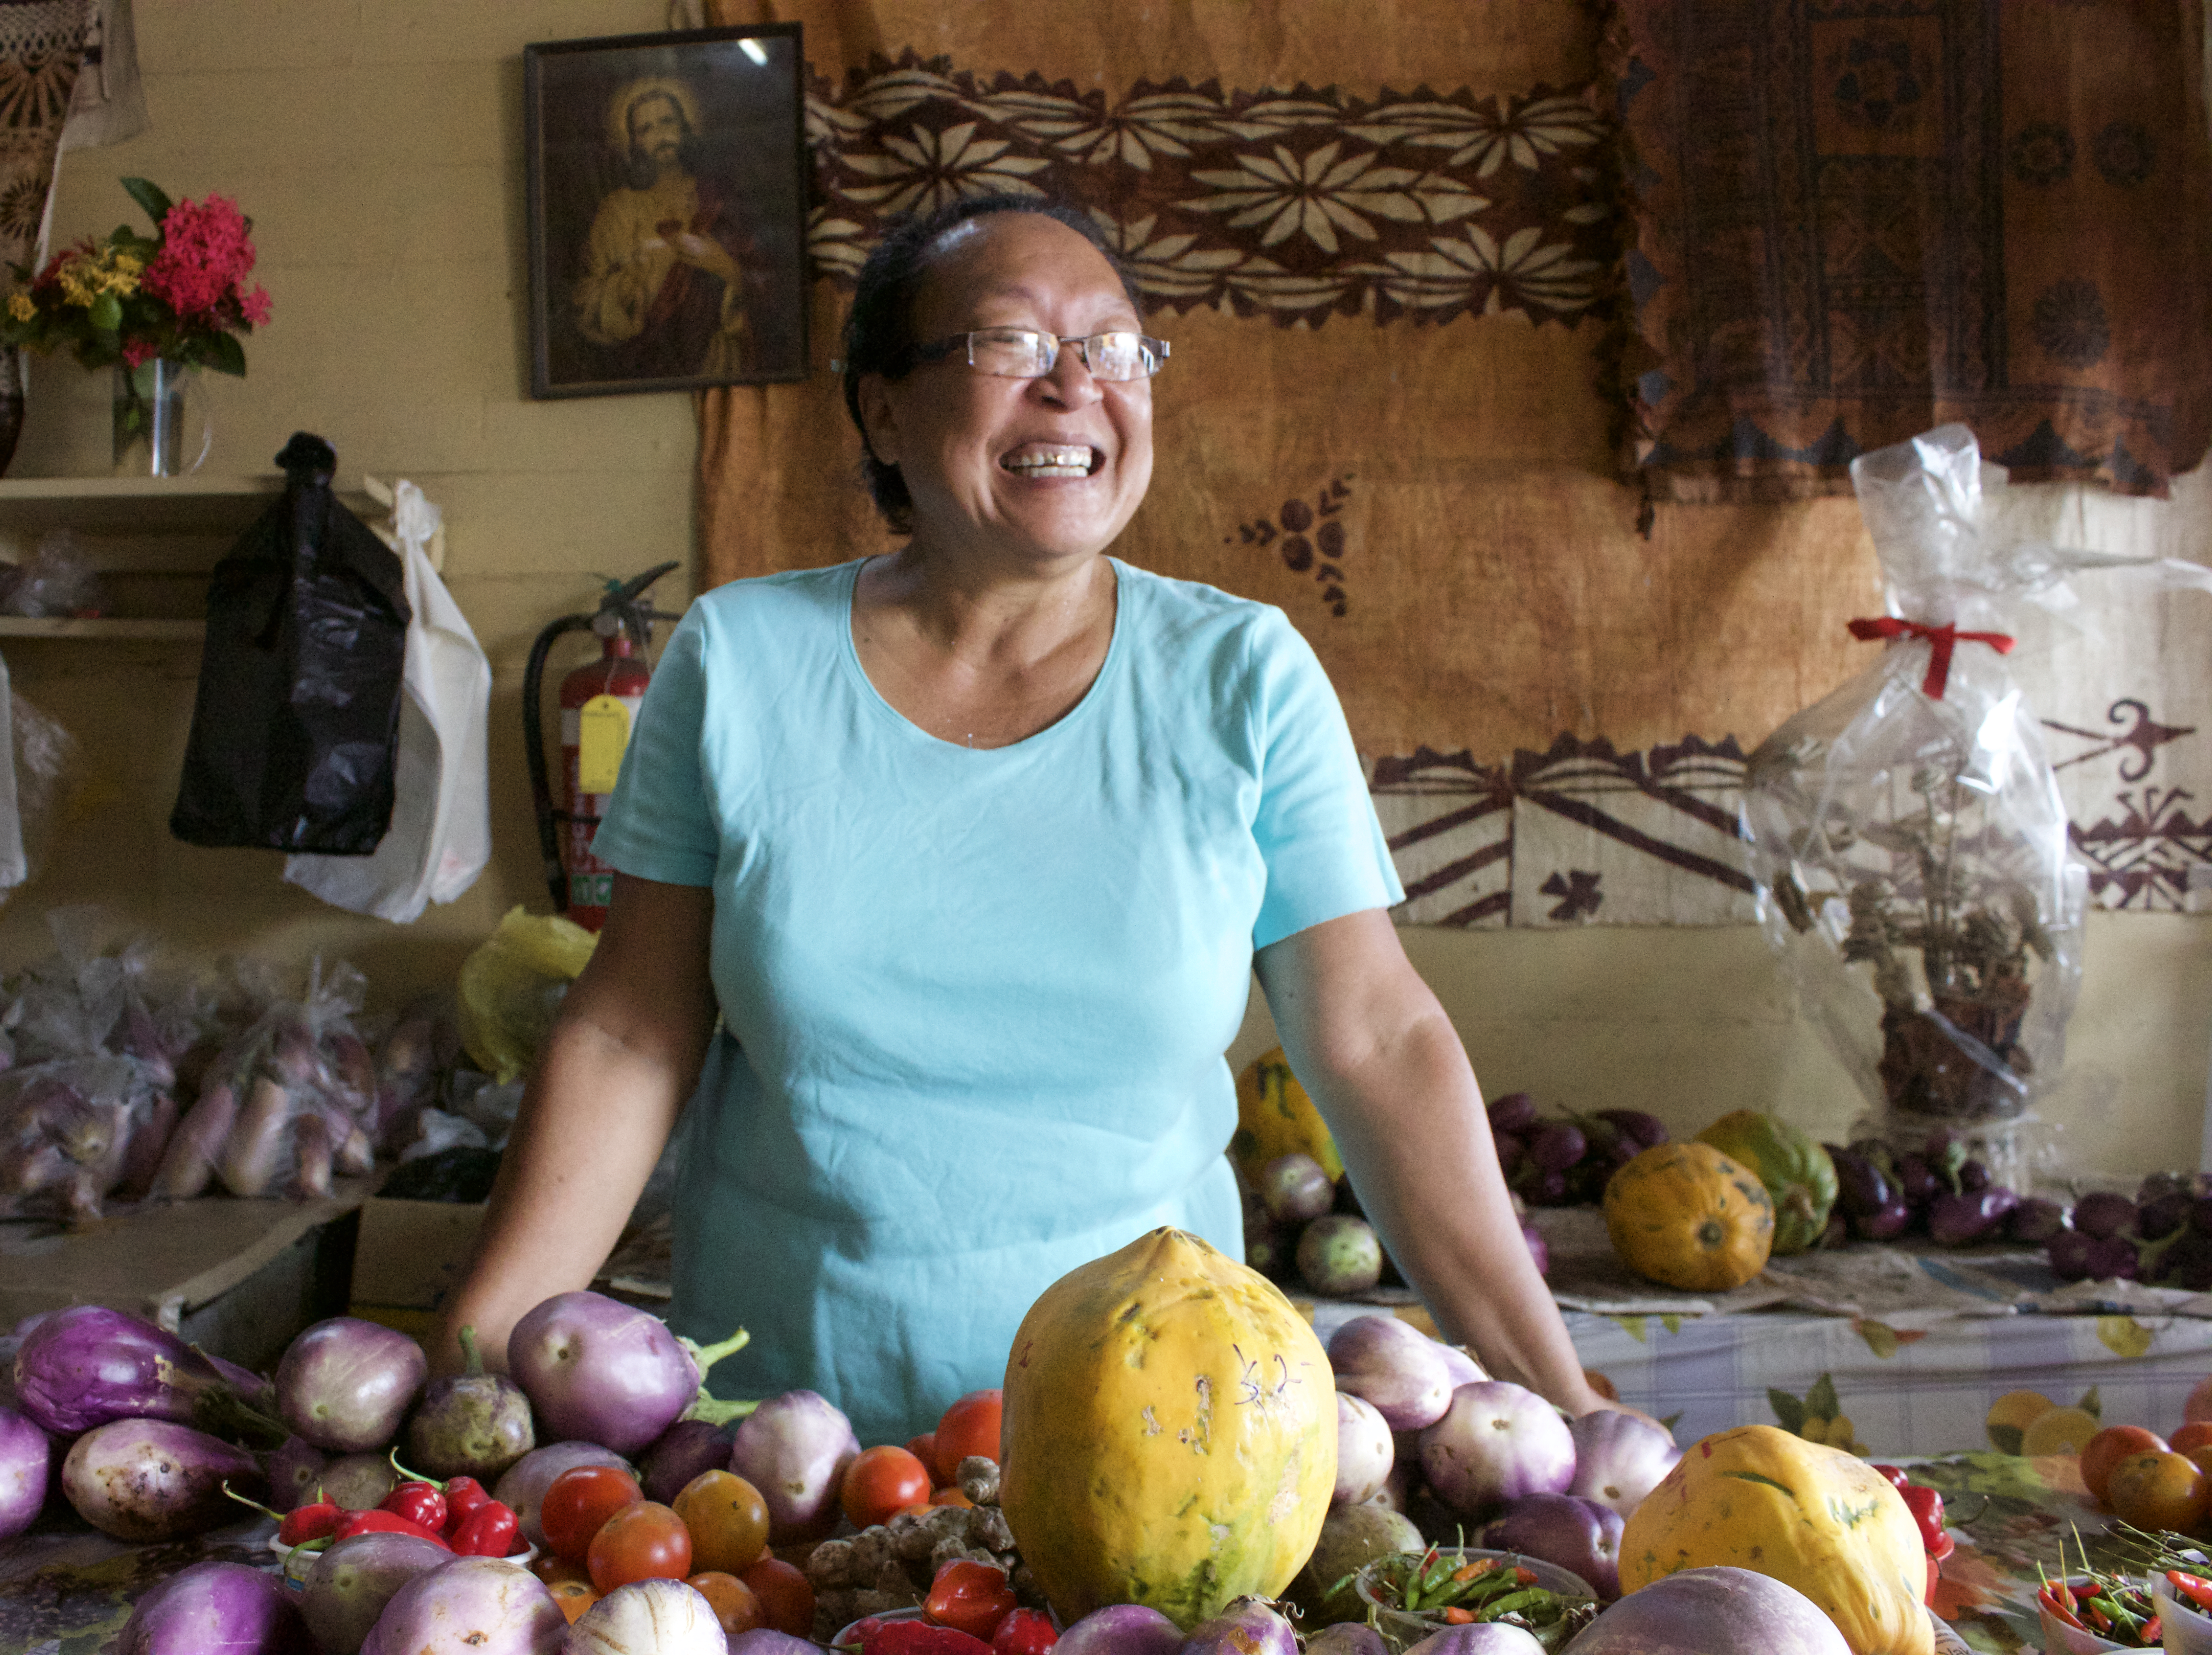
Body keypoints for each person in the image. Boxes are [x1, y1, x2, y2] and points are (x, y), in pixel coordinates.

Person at [439, 195, 1613, 1446]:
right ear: (884, 408)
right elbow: (629, 1036)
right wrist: (466, 1358)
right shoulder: (740, 662)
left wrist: (1564, 1398)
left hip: (1164, 1441)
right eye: (1009, 346)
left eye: (1114, 349)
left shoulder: (1243, 677)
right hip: (787, 1449)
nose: (1074, 389)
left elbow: (1376, 1041)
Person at [571, 76, 752, 380]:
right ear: (633, 141)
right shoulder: (619, 210)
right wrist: (634, 285)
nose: (661, 135)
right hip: (649, 361)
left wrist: (725, 268)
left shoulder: (718, 200)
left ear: (685, 125)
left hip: (715, 361)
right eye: (647, 129)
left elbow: (761, 281)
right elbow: (586, 301)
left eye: (667, 121)